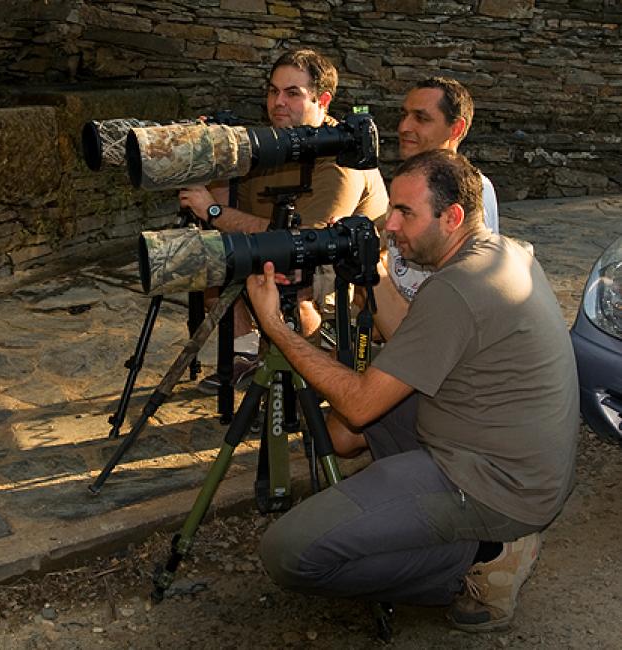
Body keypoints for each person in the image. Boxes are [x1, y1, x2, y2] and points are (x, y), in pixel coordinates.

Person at [247, 149, 577, 631]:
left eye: (406, 213)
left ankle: (480, 559)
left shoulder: (456, 288)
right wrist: (374, 271)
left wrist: (276, 325)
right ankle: (431, 526)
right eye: (391, 210)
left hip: (495, 488)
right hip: (515, 460)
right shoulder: (500, 252)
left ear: (454, 216)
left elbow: (360, 406)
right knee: (340, 435)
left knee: (287, 553)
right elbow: (414, 344)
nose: (390, 226)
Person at [178, 48, 387, 391]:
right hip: (276, 244)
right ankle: (247, 355)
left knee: (296, 283)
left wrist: (215, 212)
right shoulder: (276, 144)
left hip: (336, 262)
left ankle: (304, 376)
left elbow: (307, 239)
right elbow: (234, 211)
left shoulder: (338, 159)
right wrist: (208, 157)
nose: (278, 102)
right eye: (273, 91)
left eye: (292, 93)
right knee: (206, 260)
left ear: (323, 100)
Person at [375, 76, 500, 340]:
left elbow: (461, 299)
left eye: (421, 118)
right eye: (405, 115)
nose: (404, 127)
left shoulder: (473, 193)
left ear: (456, 129)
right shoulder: (415, 183)